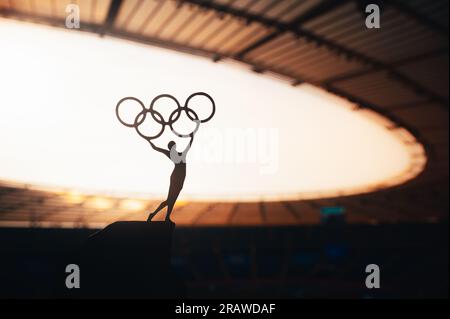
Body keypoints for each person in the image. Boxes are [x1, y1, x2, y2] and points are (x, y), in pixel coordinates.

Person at [146, 133, 194, 222]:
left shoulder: (180, 153)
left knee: (172, 200)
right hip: (176, 178)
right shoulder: (176, 154)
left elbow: (190, 144)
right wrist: (148, 140)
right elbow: (156, 148)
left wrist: (192, 136)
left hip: (180, 178)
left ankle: (166, 217)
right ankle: (155, 214)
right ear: (173, 147)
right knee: (169, 200)